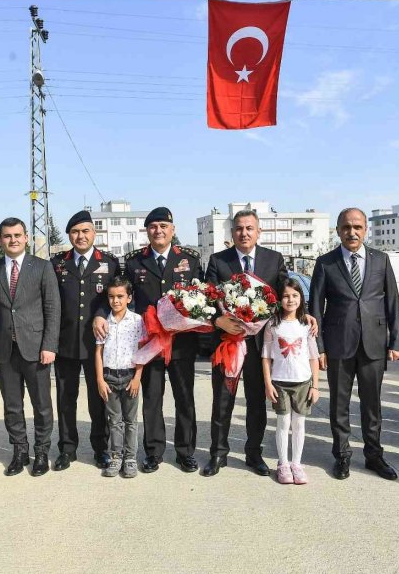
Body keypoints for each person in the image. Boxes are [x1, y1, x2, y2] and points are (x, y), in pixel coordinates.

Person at [93, 207, 203, 474]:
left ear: (173, 230)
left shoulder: (189, 259)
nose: (158, 231)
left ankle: (186, 452)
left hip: (181, 343)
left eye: (164, 226)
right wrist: (100, 314)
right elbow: (117, 292)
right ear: (147, 231)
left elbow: (202, 296)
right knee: (152, 400)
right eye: (153, 226)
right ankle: (154, 452)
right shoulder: (134, 262)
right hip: (149, 344)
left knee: (184, 398)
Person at [309, 208, 399, 481]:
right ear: (338, 231)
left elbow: (393, 302)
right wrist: (319, 347)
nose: (352, 232)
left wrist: (397, 340)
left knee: (372, 404)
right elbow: (315, 307)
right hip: (338, 345)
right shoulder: (325, 263)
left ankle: (374, 456)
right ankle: (342, 456)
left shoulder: (381, 260)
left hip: (374, 344)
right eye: (346, 227)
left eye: (358, 227)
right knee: (339, 404)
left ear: (366, 229)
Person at [202, 209, 294, 478]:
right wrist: (219, 320)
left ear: (258, 231)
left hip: (259, 345)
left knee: (256, 402)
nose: (244, 233)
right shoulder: (218, 261)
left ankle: (254, 453)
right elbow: (208, 298)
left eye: (249, 228)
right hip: (228, 343)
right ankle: (218, 454)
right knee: (222, 400)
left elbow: (287, 293)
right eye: (239, 228)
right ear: (232, 233)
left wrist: (304, 314)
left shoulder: (273, 259)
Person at [0, 217, 60, 477]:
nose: (12, 240)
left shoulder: (42, 267)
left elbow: (52, 309)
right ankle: (20, 451)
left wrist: (49, 345)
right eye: (7, 236)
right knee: (12, 405)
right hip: (4, 350)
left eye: (17, 235)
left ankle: (42, 451)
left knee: (42, 404)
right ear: (0, 240)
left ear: (26, 238)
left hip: (36, 349)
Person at [50, 210, 119, 471]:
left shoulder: (109, 263)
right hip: (65, 342)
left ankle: (101, 449)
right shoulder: (57, 264)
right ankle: (67, 449)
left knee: (98, 398)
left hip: (97, 344)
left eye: (85, 231)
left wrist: (100, 314)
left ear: (94, 233)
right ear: (69, 235)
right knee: (65, 399)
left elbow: (116, 298)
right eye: (75, 232)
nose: (81, 236)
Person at [262, 279, 320, 485]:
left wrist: (315, 386)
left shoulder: (306, 325)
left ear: (301, 298)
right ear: (279, 299)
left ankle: (296, 463)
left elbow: (313, 357)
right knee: (283, 422)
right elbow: (266, 356)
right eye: (286, 296)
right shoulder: (273, 324)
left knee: (299, 423)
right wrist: (268, 383)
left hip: (303, 382)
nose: (290, 300)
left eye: (295, 295)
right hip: (280, 382)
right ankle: (283, 464)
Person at [94, 277, 145, 478]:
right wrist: (100, 380)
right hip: (109, 377)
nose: (115, 301)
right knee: (114, 421)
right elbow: (98, 352)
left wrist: (137, 377)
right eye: (111, 297)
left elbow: (142, 351)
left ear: (129, 298)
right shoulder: (103, 322)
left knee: (131, 420)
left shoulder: (137, 321)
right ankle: (116, 456)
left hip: (129, 376)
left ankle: (130, 458)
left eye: (120, 296)